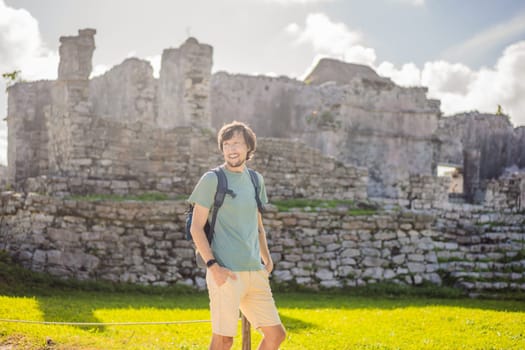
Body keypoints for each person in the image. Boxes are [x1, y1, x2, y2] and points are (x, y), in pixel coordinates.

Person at [188, 121, 286, 350]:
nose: (232, 149)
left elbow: (257, 223)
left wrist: (267, 259)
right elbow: (195, 227)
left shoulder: (256, 180)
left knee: (276, 335)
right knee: (224, 341)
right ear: (222, 148)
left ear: (248, 148)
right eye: (227, 144)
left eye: (238, 144)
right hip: (225, 273)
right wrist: (213, 267)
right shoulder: (212, 179)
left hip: (255, 272)